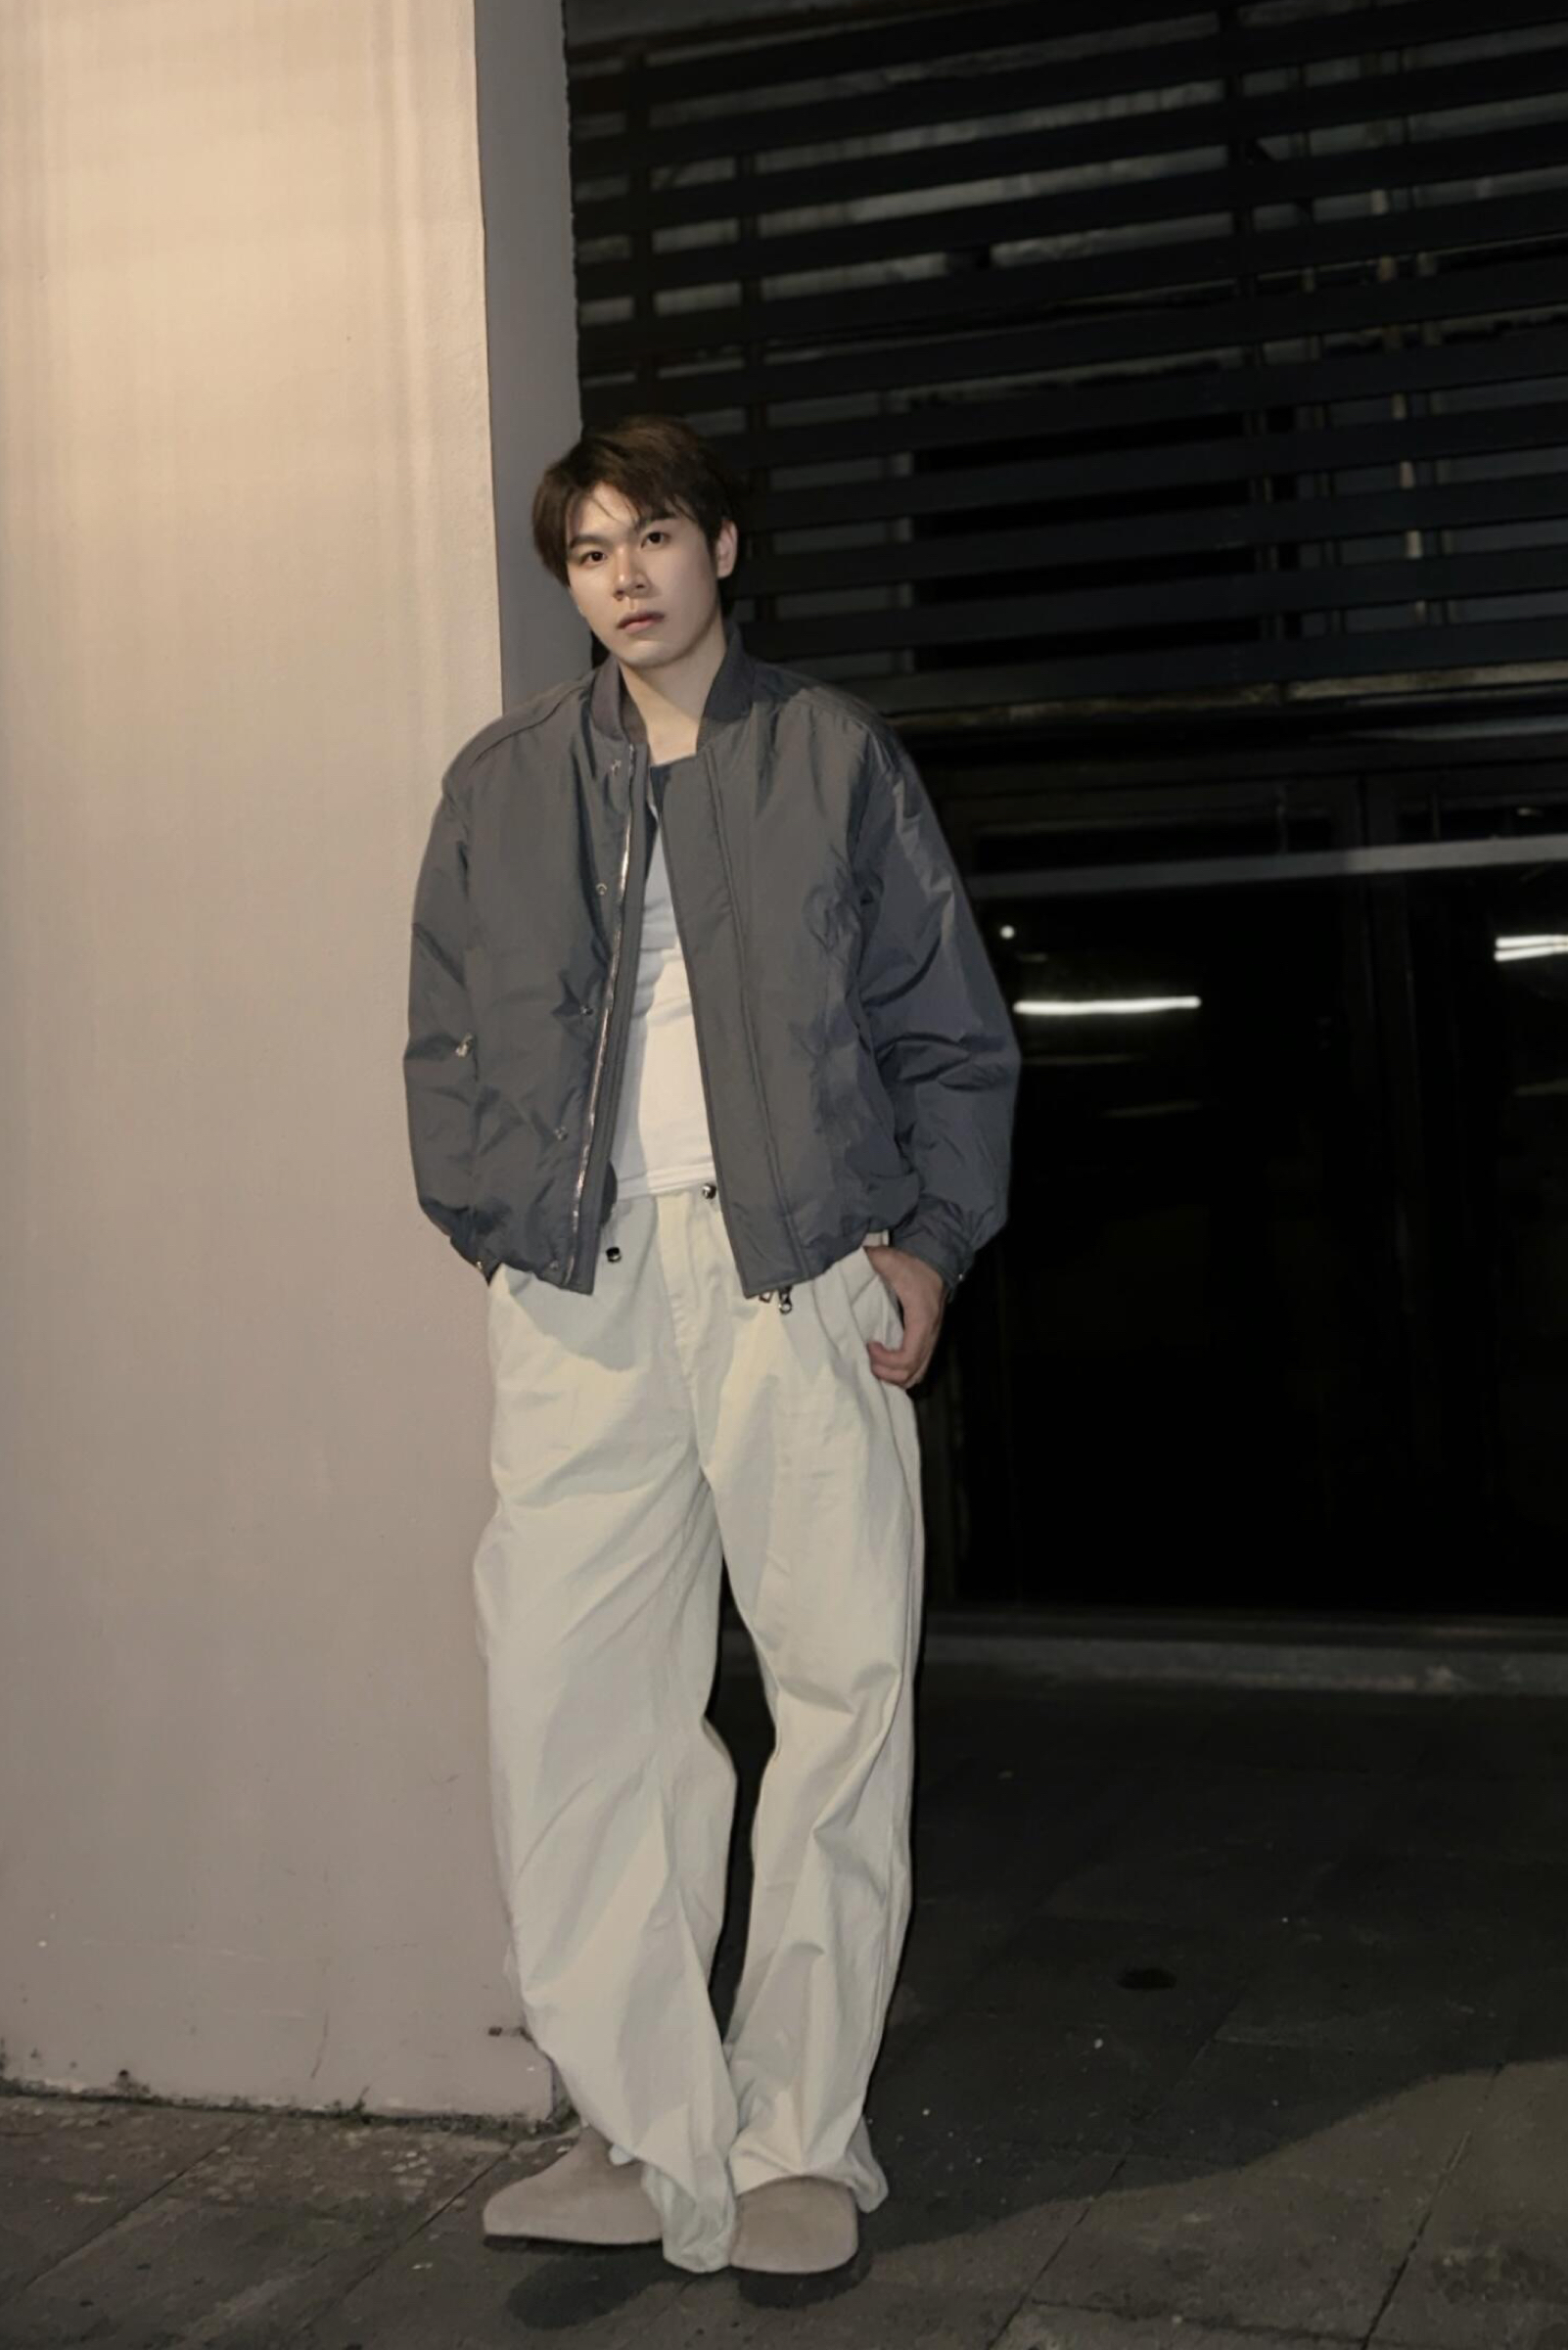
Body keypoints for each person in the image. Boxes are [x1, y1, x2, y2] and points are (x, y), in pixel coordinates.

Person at [402, 412, 1020, 2278]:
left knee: (840, 1698)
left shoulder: (828, 752)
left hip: (797, 1272)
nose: (626, 577)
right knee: (573, 1709)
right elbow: (443, 1033)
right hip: (581, 1290)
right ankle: (641, 2130)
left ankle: (797, 2139)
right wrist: (498, 1232)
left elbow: (944, 1022)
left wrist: (925, 1244)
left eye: (654, 536)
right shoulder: (505, 778)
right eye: (591, 553)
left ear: (721, 548)